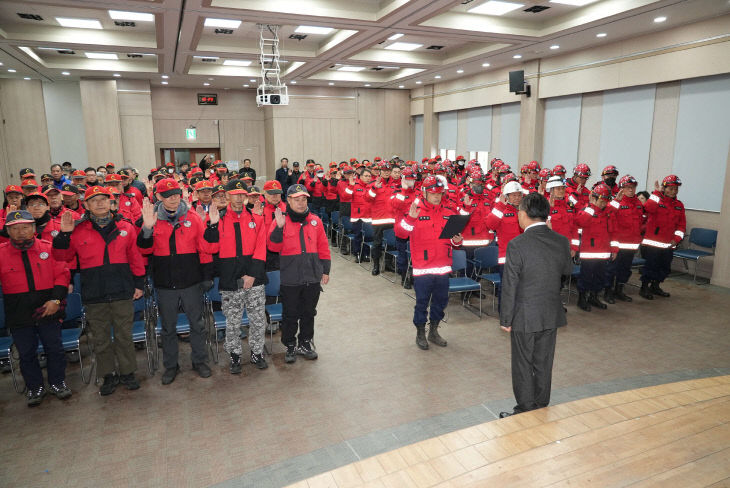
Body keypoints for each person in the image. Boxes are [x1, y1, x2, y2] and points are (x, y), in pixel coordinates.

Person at [53, 186, 146, 395]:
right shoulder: (77, 230)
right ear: (85, 205)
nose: (100, 203)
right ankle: (108, 375)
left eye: (104, 199)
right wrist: (63, 235)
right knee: (101, 338)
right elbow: (62, 257)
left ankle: (128, 372)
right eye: (94, 200)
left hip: (122, 289)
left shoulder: (126, 227)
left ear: (111, 203)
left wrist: (139, 283)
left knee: (124, 335)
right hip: (94, 293)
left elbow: (135, 257)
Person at [137, 179, 220, 384]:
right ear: (158, 197)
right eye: (168, 195)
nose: (174, 199)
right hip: (165, 284)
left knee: (198, 325)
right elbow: (144, 250)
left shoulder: (193, 217)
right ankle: (171, 366)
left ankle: (200, 361)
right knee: (168, 328)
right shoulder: (152, 219)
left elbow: (208, 249)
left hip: (191, 282)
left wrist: (213, 227)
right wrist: (147, 229)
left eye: (176, 194)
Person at [498, 193, 573, 418]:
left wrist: (506, 318)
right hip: (550, 312)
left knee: (523, 363)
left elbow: (510, 284)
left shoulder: (517, 244)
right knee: (543, 361)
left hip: (524, 314)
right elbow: (567, 272)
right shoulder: (561, 241)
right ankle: (541, 405)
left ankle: (524, 409)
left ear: (522, 214)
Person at [1, 210, 71, 406]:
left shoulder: (49, 248)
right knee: (26, 353)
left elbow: (62, 275)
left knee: (54, 349)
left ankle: (57, 383)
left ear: (33, 228)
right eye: (15, 228)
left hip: (48, 306)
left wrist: (56, 301)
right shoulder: (1, 253)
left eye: (25, 227)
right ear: (8, 231)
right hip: (18, 311)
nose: (21, 232)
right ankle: (35, 387)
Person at [397, 176, 466, 350]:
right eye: (433, 193)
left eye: (440, 193)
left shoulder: (449, 212)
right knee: (422, 302)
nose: (437, 196)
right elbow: (401, 234)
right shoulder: (414, 209)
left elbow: (453, 241)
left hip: (443, 266)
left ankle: (433, 331)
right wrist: (411, 219)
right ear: (425, 192)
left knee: (441, 301)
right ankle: (420, 332)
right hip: (423, 267)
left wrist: (457, 241)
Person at [267, 184, 330, 364]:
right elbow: (272, 247)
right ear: (288, 200)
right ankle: (290, 345)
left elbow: (323, 248)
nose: (301, 203)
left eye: (304, 199)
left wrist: (325, 270)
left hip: (312, 276)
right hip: (290, 278)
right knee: (290, 314)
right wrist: (279, 228)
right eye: (296, 199)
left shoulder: (315, 221)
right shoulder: (280, 220)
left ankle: (305, 342)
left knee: (309, 312)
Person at [210, 179, 268, 373]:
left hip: (255, 280)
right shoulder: (217, 220)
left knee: (258, 320)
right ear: (226, 195)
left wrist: (252, 274)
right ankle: (234, 355)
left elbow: (261, 248)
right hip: (229, 281)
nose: (238, 198)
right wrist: (211, 225)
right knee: (233, 322)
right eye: (234, 194)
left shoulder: (257, 219)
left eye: (241, 194)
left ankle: (257, 352)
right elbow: (209, 248)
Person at [639, 175, 685, 299]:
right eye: (670, 188)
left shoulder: (679, 205)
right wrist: (656, 193)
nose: (673, 191)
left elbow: (681, 225)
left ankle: (655, 286)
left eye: (675, 189)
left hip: (668, 244)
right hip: (653, 243)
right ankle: (644, 288)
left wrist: (676, 240)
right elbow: (647, 208)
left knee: (664, 267)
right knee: (650, 267)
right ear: (664, 188)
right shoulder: (657, 200)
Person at [573, 183, 616, 311]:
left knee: (599, 277)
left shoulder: (609, 213)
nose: (603, 204)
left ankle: (594, 297)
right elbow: (580, 222)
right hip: (589, 253)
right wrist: (592, 206)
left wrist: (614, 250)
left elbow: (613, 232)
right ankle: (582, 299)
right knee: (586, 277)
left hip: (603, 253)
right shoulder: (587, 210)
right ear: (595, 198)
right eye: (601, 201)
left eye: (606, 201)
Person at [605, 175, 644, 302]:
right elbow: (607, 214)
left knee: (625, 270)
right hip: (618, 244)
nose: (631, 190)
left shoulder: (638, 203)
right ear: (621, 189)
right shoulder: (616, 202)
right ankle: (608, 292)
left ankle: (619, 291)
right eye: (627, 187)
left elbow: (640, 222)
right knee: (611, 270)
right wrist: (616, 201)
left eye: (632, 187)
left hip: (631, 245)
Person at [262, 180, 286, 271]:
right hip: (265, 254)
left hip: (283, 253)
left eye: (278, 193)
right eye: (272, 193)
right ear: (265, 194)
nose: (275, 196)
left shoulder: (288, 209)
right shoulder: (258, 211)